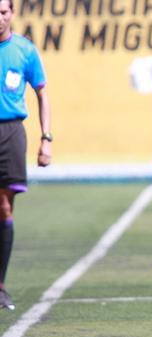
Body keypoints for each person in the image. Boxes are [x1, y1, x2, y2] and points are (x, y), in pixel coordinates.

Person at [0, 0, 52, 310]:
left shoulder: (24, 50)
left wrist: (46, 138)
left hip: (10, 133)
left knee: (5, 208)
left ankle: (0, 286)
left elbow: (42, 93)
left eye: (3, 12)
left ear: (12, 13)